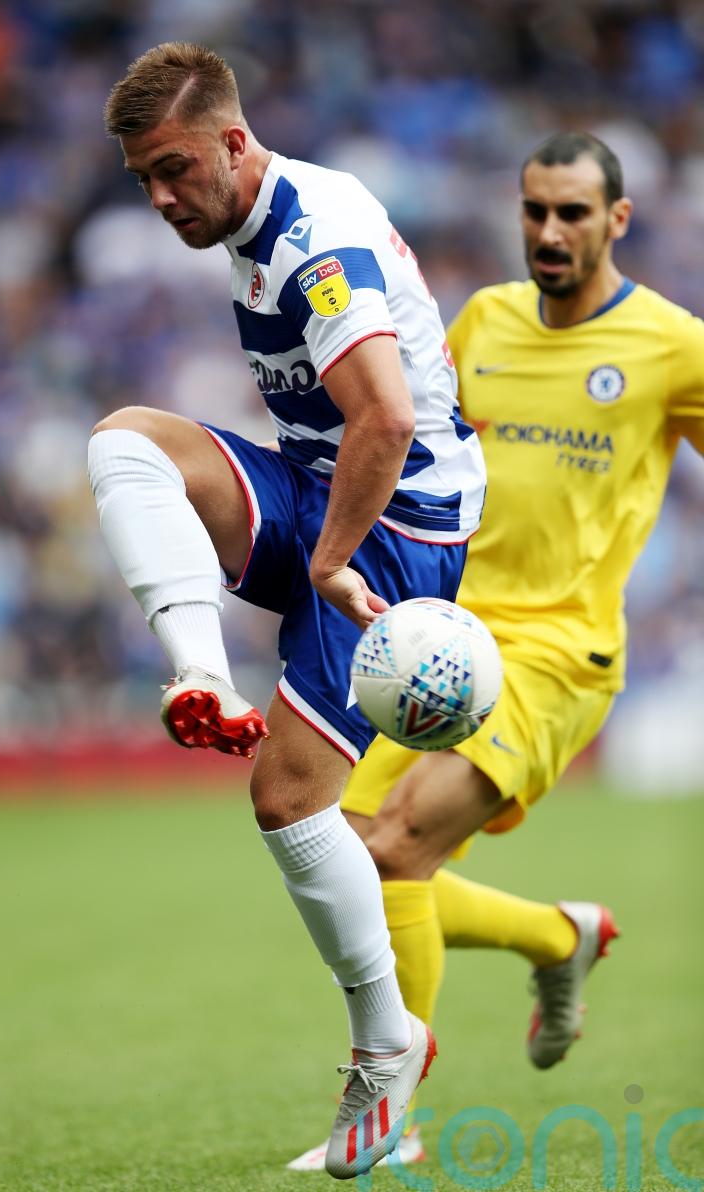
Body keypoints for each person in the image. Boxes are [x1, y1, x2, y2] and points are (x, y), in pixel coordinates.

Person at [87, 41, 487, 1179]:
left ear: (230, 140)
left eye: (172, 170)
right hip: (322, 484)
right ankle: (200, 674)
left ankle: (383, 1046)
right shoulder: (255, 216)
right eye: (141, 181)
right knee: (125, 441)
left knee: (287, 802)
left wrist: (328, 561)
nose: (161, 198)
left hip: (394, 525)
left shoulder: (315, 242)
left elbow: (386, 419)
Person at [288, 130, 704, 1171]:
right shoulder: (480, 322)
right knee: (344, 853)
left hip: (559, 653)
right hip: (444, 632)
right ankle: (559, 938)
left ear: (616, 220)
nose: (548, 232)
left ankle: (388, 1119)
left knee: (389, 855)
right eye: (534, 210)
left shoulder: (670, 345)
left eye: (571, 213)